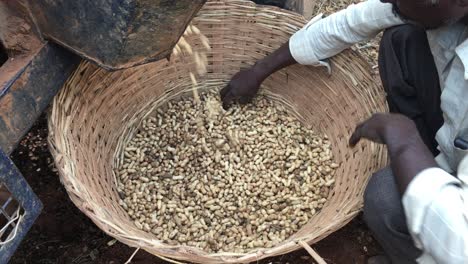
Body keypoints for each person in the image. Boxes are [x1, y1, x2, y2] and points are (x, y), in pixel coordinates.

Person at [220, 0, 468, 263]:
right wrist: (259, 70)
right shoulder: (435, 7)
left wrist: (406, 142)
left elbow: (459, 241)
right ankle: (424, 157)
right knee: (400, 38)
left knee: (383, 198)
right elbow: (352, 23)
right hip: (453, 126)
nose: (387, 2)